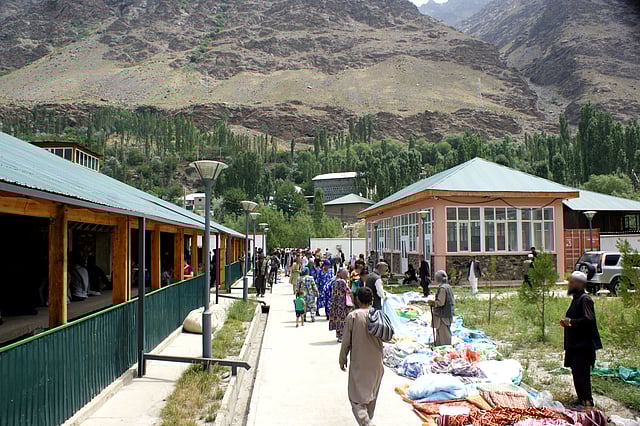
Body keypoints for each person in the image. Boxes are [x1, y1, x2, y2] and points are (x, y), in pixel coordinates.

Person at [339, 287, 384, 426]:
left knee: (356, 398)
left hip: (359, 363)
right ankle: (368, 420)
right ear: (372, 300)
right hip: (377, 362)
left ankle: (366, 422)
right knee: (372, 395)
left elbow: (346, 341)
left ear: (357, 299)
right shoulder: (378, 315)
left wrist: (342, 359)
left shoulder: (353, 316)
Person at [561, 271, 602, 408]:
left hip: (583, 346)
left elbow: (588, 320)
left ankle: (587, 403)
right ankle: (581, 400)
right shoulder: (577, 298)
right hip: (576, 344)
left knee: (582, 375)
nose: (569, 284)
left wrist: (571, 322)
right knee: (577, 373)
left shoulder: (585, 299)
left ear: (580, 283)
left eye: (572, 282)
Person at [428, 270, 455, 346]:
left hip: (442, 315)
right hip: (446, 313)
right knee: (440, 333)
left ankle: (445, 348)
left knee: (444, 334)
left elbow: (441, 302)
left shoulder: (443, 288)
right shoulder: (448, 286)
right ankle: (439, 347)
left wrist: (433, 303)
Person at [330, 268, 352, 342]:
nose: (347, 274)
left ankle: (339, 335)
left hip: (335, 303)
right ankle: (341, 336)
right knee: (342, 319)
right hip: (342, 303)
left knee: (337, 318)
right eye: (346, 273)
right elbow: (348, 290)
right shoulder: (342, 282)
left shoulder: (335, 281)